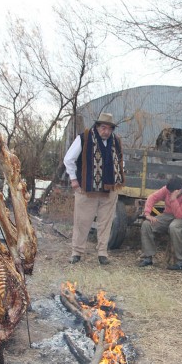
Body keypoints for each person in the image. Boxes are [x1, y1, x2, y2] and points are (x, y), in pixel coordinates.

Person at [63, 113, 124, 265]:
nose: (106, 131)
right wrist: (74, 180)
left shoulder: (116, 141)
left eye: (109, 128)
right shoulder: (84, 138)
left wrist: (117, 180)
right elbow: (68, 159)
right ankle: (77, 252)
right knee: (82, 221)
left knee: (106, 222)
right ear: (97, 127)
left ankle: (102, 253)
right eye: (103, 128)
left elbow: (121, 162)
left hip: (109, 190)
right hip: (87, 189)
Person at [138, 176, 182, 270]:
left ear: (179, 190)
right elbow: (152, 197)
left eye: (171, 192)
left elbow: (179, 215)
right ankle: (148, 257)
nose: (169, 193)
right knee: (147, 224)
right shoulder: (168, 189)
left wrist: (173, 199)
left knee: (174, 227)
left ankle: (180, 261)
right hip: (168, 214)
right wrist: (147, 213)